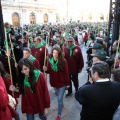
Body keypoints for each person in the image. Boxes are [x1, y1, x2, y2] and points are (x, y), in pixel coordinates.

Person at [43, 47, 70, 120]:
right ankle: (61, 104)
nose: (55, 55)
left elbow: (66, 73)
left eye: (57, 53)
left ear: (59, 54)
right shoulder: (50, 61)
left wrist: (67, 83)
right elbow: (49, 71)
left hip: (62, 83)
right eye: (54, 53)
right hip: (54, 82)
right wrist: (46, 69)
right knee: (59, 96)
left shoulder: (64, 61)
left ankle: (59, 115)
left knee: (59, 98)